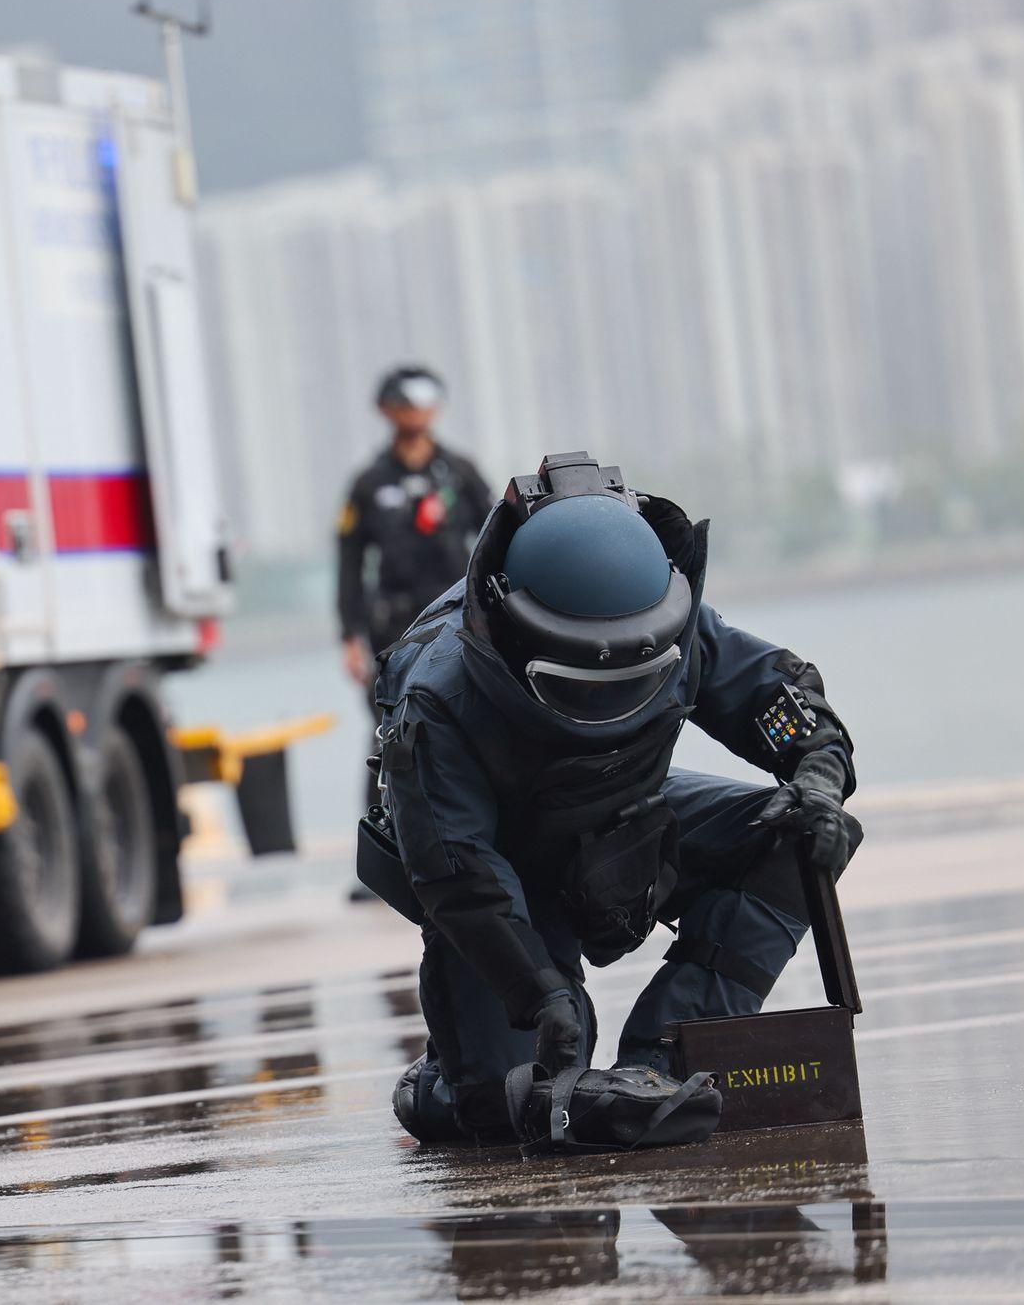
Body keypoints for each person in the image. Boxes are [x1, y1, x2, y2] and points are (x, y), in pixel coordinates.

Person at [357, 452, 861, 1144]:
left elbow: (778, 698)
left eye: (634, 673)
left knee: (800, 834)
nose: (611, 692)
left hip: (628, 822)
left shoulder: (671, 619)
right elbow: (460, 873)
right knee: (513, 1108)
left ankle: (667, 1057)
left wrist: (820, 775)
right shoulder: (439, 697)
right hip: (502, 871)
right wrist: (543, 996)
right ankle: (441, 1086)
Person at [336, 365, 494, 806]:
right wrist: (349, 636)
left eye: (424, 400)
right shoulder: (369, 484)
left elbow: (497, 534)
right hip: (394, 628)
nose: (415, 411)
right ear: (385, 409)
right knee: (388, 731)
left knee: (472, 722)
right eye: (404, 401)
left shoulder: (459, 473)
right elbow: (349, 564)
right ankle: (379, 849)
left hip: (458, 620)